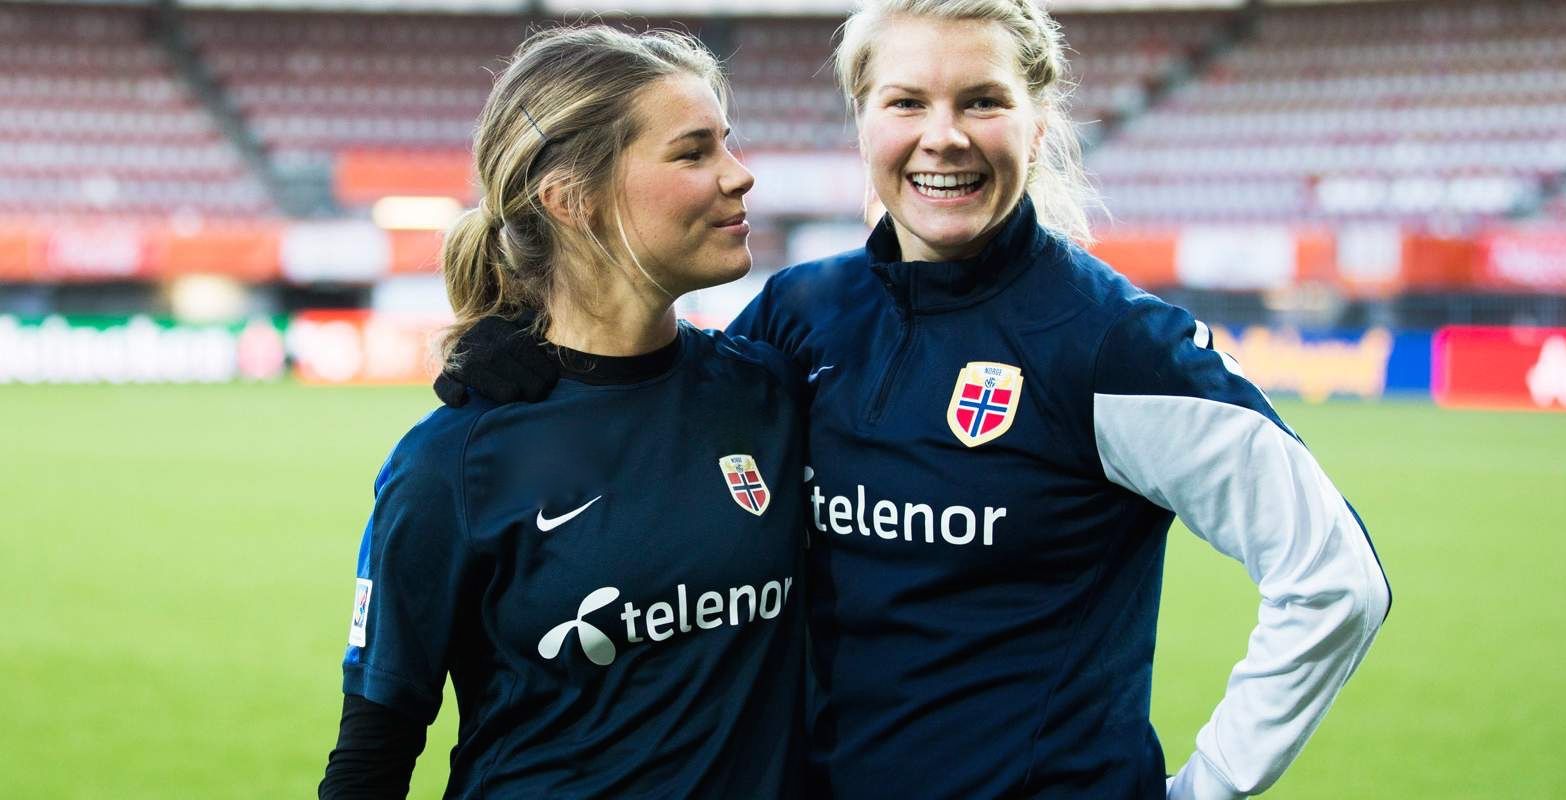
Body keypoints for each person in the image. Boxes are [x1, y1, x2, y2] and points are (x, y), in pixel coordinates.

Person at [436, 1, 1392, 798]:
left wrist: (1209, 787)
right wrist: (527, 358)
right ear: (863, 121)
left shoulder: (1114, 345)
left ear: (1037, 122)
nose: (945, 135)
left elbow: (1333, 579)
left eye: (983, 100)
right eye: (907, 102)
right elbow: (657, 410)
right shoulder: (803, 314)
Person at [320, 25, 809, 799]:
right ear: (572, 200)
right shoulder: (454, 461)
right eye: (693, 152)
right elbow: (373, 752)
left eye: (728, 143)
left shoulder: (771, 394)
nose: (739, 175)